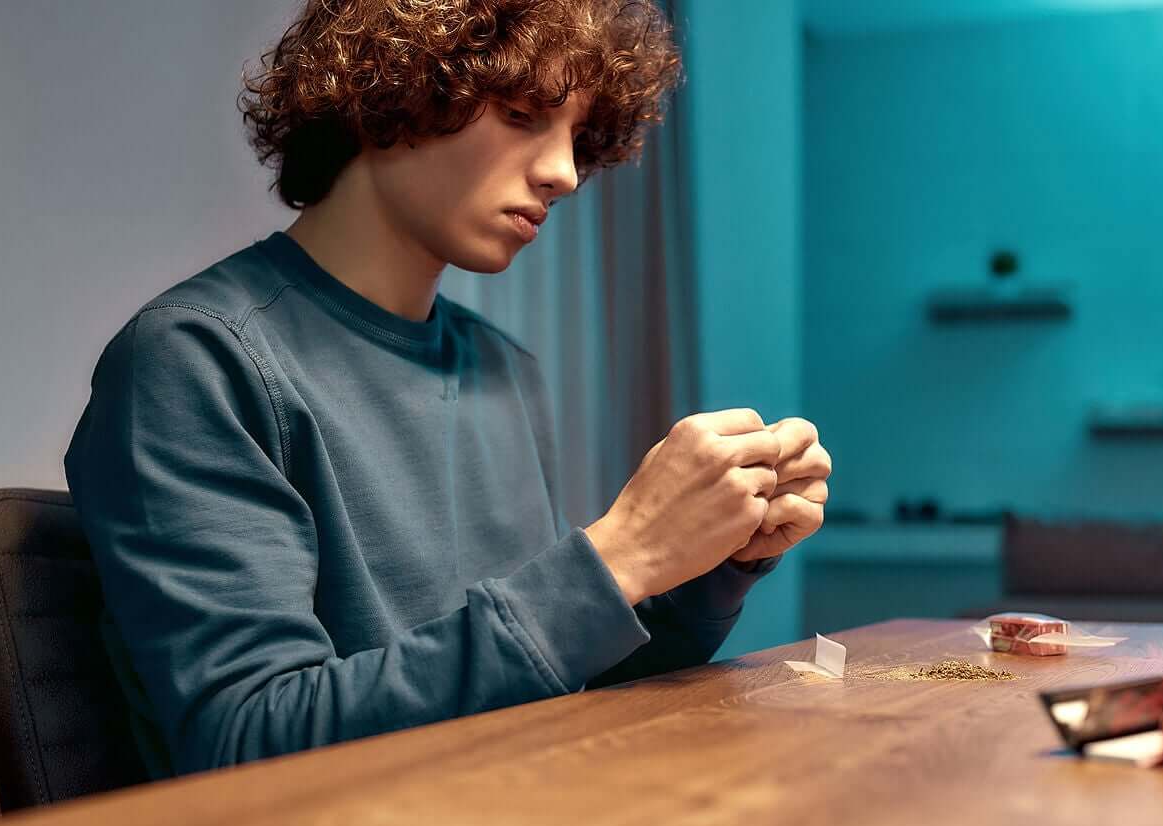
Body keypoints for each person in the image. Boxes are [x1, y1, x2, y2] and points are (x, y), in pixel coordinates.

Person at [64, 0, 831, 778]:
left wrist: (709, 564)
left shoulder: (503, 368)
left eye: (578, 138)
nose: (565, 174)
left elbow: (549, 678)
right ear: (389, 91)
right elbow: (251, 738)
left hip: (520, 823)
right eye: (523, 112)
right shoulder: (197, 358)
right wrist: (617, 557)